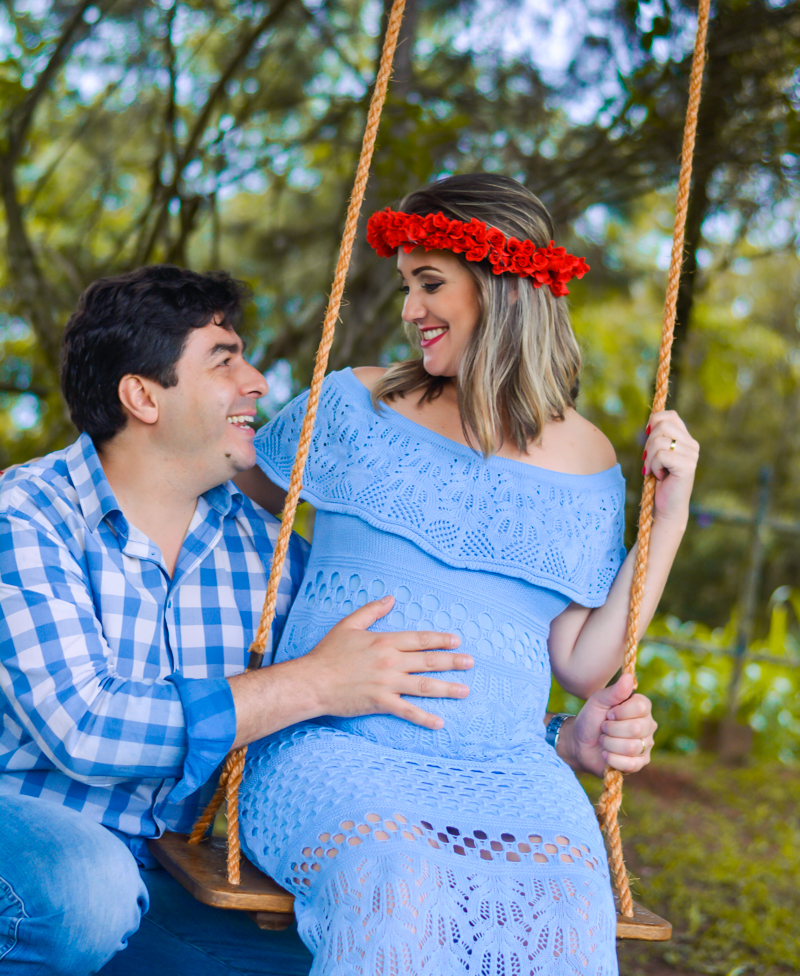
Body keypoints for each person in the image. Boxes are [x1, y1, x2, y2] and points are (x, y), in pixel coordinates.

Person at [0, 263, 657, 976]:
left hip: (160, 875)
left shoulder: (261, 550)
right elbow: (87, 728)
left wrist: (562, 741)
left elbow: (374, 679)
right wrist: (312, 684)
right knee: (86, 890)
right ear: (142, 396)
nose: (257, 382)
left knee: (360, 941)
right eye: (225, 362)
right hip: (33, 841)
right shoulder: (29, 516)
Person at [236, 173, 699, 976]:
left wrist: (675, 513)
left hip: (509, 770)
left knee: (563, 903)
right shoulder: (353, 404)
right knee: (397, 883)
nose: (412, 308)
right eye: (407, 284)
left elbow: (584, 662)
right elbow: (236, 474)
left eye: (431, 283)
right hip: (336, 748)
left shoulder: (586, 457)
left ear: (499, 286)